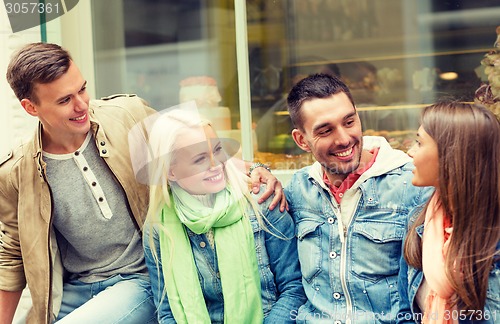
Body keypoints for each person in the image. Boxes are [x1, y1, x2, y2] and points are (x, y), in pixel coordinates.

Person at [0, 42, 286, 323]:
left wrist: (256, 171)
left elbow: (193, 147)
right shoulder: (17, 171)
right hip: (72, 290)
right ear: (30, 107)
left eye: (82, 89)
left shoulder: (128, 115)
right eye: (64, 100)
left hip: (139, 279)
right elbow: (11, 256)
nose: (81, 105)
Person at [284, 73, 433, 322]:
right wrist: (258, 169)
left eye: (349, 122)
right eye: (325, 130)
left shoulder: (412, 184)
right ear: (301, 140)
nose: (344, 139)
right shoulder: (298, 189)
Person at [142, 108, 306, 323]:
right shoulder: (159, 228)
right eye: (200, 159)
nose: (216, 164)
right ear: (171, 172)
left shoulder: (262, 202)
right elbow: (167, 311)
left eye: (218, 149)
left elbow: (294, 289)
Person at [398, 102, 500, 323]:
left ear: (452, 155)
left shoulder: (493, 240)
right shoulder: (419, 220)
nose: (410, 151)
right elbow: (404, 312)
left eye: (419, 142)